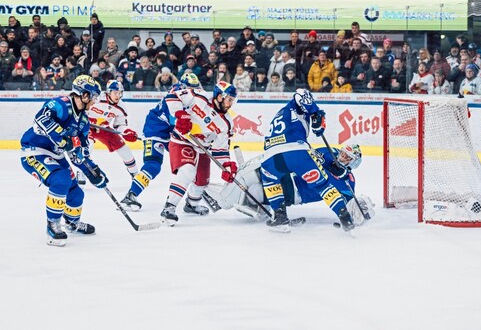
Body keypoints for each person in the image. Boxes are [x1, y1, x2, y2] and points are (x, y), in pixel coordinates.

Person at [20, 75, 108, 247]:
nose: (94, 102)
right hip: (34, 151)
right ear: (84, 95)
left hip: (56, 155)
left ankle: (72, 223)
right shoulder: (60, 104)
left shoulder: (83, 121)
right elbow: (40, 120)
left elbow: (79, 153)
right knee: (61, 180)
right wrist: (62, 138)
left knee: (76, 193)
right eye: (94, 97)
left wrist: (92, 171)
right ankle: (53, 225)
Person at [203, 144, 373, 225]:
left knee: (253, 181)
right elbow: (306, 157)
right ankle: (225, 197)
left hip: (295, 191)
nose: (342, 157)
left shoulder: (348, 180)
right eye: (343, 153)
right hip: (289, 174)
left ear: (353, 163)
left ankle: (222, 201)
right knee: (252, 183)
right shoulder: (329, 152)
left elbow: (349, 202)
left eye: (347, 158)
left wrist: (357, 213)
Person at [260, 89, 355, 232]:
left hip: (270, 157)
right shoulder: (295, 106)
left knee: (269, 180)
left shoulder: (282, 113)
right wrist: (316, 113)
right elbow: (300, 93)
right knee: (322, 185)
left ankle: (280, 216)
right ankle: (345, 218)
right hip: (296, 151)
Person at [159, 80, 239, 226]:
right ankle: (169, 207)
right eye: (229, 99)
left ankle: (191, 203)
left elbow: (220, 149)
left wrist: (226, 165)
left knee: (202, 181)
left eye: (232, 100)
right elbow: (172, 96)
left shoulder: (226, 123)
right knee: (188, 171)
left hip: (202, 148)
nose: (231, 103)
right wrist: (180, 114)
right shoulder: (199, 97)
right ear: (219, 96)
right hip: (182, 140)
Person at [120, 73, 201, 211]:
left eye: (195, 88)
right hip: (155, 131)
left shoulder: (191, 98)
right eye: (190, 88)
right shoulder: (176, 94)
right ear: (183, 87)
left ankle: (193, 199)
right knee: (153, 165)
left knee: (189, 165)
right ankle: (131, 195)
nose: (193, 91)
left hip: (171, 133)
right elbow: (175, 120)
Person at [87, 80, 139, 181]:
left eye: (120, 93)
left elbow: (119, 125)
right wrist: (88, 120)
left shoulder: (121, 107)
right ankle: (81, 173)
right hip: (87, 126)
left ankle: (135, 174)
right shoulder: (96, 98)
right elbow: (82, 109)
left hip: (104, 128)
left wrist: (127, 131)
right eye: (115, 92)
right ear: (108, 92)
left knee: (125, 150)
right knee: (87, 146)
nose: (118, 95)